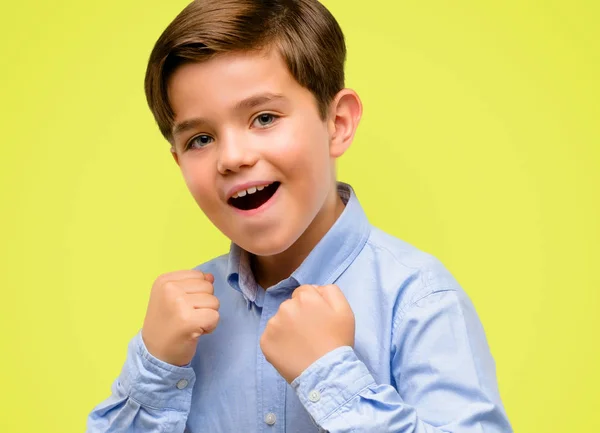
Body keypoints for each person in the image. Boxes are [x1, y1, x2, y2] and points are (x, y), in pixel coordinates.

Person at [86, 0, 512, 432]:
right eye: (200, 139)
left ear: (338, 122)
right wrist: (154, 369)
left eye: (264, 117)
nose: (232, 158)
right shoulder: (180, 328)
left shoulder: (418, 301)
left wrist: (331, 374)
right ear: (178, 162)